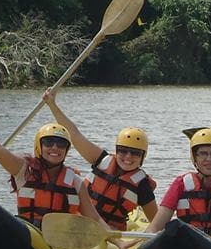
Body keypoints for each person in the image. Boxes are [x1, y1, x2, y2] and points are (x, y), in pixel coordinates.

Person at [0, 103, 104, 228]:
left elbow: (95, 218)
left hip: (61, 241)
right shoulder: (23, 170)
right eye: (48, 142)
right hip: (30, 233)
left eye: (61, 144)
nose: (55, 147)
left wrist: (118, 243)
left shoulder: (76, 182)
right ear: (39, 146)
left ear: (66, 150)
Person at [42, 89, 158, 230]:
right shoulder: (102, 159)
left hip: (110, 233)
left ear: (143, 156)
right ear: (116, 151)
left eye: (135, 153)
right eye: (123, 150)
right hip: (79, 223)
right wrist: (52, 104)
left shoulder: (142, 185)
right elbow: (74, 134)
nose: (128, 156)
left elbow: (157, 221)